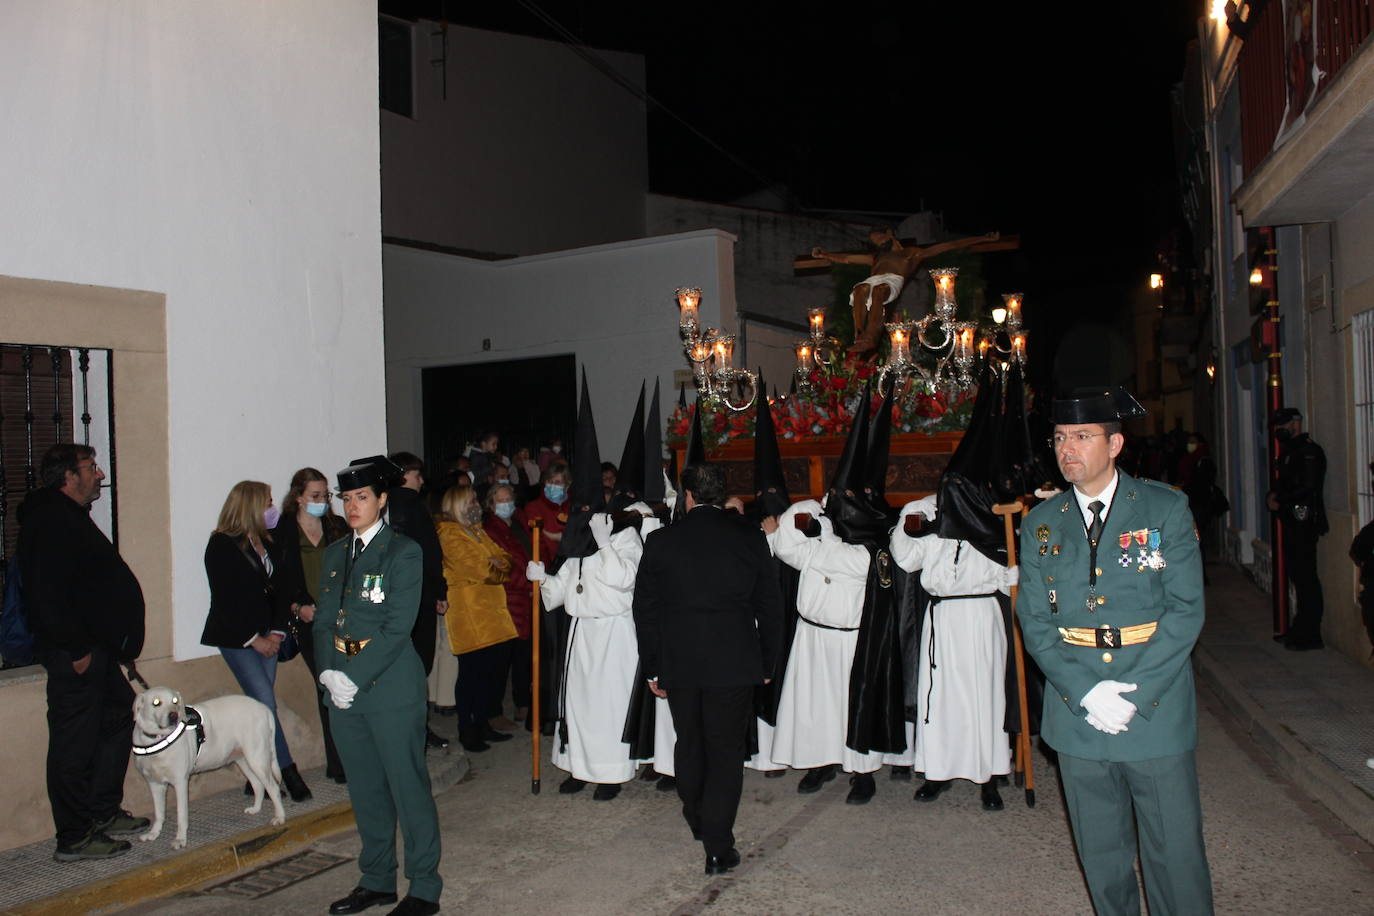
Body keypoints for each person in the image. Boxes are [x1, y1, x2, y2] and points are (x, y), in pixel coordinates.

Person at [1018, 387, 1213, 916]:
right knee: (1102, 857)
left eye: (1082, 436)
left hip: (1153, 708)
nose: (1067, 448)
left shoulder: (1163, 508)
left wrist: (1135, 694)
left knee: (1175, 855)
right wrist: (1085, 692)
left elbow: (1185, 611)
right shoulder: (1040, 523)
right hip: (1077, 712)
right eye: (1060, 438)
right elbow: (1034, 621)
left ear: (1116, 444)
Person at [633, 463, 783, 875]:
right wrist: (767, 660)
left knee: (690, 742)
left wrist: (652, 666)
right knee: (724, 750)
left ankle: (698, 815)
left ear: (688, 496)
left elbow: (645, 609)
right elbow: (770, 605)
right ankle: (717, 846)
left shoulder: (661, 541)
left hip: (680, 661)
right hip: (734, 661)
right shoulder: (749, 537)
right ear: (720, 494)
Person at [315, 458, 442, 916]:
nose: (352, 506)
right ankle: (377, 879)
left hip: (389, 686)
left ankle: (424, 887)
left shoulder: (402, 552)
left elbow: (397, 626)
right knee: (365, 790)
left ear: (382, 500)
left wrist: (352, 675)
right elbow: (323, 620)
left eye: (362, 497)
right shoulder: (335, 554)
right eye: (346, 499)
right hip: (342, 687)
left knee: (407, 787)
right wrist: (328, 673)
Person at [19, 443, 148, 861]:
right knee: (73, 745)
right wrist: (75, 649)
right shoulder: (49, 520)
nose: (99, 474)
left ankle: (102, 811)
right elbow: (46, 594)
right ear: (68, 476)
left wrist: (116, 642)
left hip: (97, 649)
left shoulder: (70, 516)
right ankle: (74, 836)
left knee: (118, 716)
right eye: (91, 467)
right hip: (74, 653)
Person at [891, 494, 1016, 811]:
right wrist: (910, 514)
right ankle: (937, 771)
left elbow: (1008, 577)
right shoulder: (934, 528)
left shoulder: (989, 525)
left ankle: (989, 776)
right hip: (943, 616)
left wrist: (1014, 576)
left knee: (983, 697)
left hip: (980, 617)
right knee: (940, 698)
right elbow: (905, 558)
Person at [201, 480, 311, 803]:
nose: (272, 508)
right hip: (239, 639)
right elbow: (225, 600)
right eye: (267, 502)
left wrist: (276, 632)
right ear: (250, 506)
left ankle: (257, 774)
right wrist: (254, 640)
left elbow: (282, 590)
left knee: (259, 708)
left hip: (270, 636)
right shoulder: (221, 545)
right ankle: (287, 771)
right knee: (264, 704)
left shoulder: (268, 542)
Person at [809, 229, 1006, 356]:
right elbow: (847, 259)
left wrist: (981, 238)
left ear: (889, 234)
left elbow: (947, 246)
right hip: (873, 280)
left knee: (878, 291)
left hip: (892, 281)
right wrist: (825, 254)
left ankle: (871, 336)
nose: (878, 243)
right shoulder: (876, 257)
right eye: (875, 242)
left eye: (879, 238)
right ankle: (859, 334)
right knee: (860, 288)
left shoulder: (911, 253)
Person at [272, 467, 349, 784]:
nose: (322, 501)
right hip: (309, 621)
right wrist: (297, 607)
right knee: (329, 687)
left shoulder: (337, 526)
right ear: (299, 497)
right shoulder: (283, 532)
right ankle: (339, 763)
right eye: (315, 496)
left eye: (325, 495)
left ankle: (352, 757)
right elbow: (278, 581)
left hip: (342, 618)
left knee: (349, 685)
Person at [434, 484, 516, 752]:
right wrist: (495, 566)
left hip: (490, 613)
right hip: (469, 614)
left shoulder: (477, 530)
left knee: (488, 674)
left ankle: (482, 723)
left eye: (475, 501)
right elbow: (482, 570)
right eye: (469, 502)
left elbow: (506, 560)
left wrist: (497, 565)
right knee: (471, 674)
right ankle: (467, 729)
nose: (476, 506)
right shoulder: (449, 534)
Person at [383, 451, 451, 747]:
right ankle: (415, 729)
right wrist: (439, 590)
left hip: (402, 594)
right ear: (402, 474)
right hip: (418, 594)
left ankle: (411, 727)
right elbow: (428, 553)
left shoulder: (387, 502)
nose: (421, 481)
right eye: (416, 474)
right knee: (417, 664)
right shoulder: (409, 504)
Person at [1266, 407, 1329, 650]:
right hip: (1292, 520)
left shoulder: (1308, 451)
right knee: (1297, 575)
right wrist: (1272, 496)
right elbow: (1284, 483)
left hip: (1305, 521)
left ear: (1296, 423)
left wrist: (1280, 499)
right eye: (1277, 425)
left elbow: (1307, 486)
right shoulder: (1290, 451)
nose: (1279, 429)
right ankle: (1300, 628)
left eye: (1283, 424)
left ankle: (1310, 634)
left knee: (1306, 578)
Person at [483, 483, 534, 727]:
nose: (506, 504)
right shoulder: (491, 530)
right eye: (500, 500)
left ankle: (522, 702)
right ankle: (493, 711)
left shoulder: (519, 523)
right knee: (500, 660)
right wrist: (528, 583)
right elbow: (500, 567)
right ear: (491, 505)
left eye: (508, 499)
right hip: (507, 599)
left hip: (524, 599)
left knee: (523, 655)